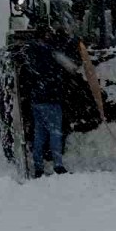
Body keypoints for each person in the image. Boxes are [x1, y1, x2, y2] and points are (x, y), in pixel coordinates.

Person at [22, 34, 70, 178]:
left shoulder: (32, 55)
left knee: (39, 134)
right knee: (55, 133)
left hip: (37, 100)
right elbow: (65, 69)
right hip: (51, 100)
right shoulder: (52, 55)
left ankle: (38, 167)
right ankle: (58, 165)